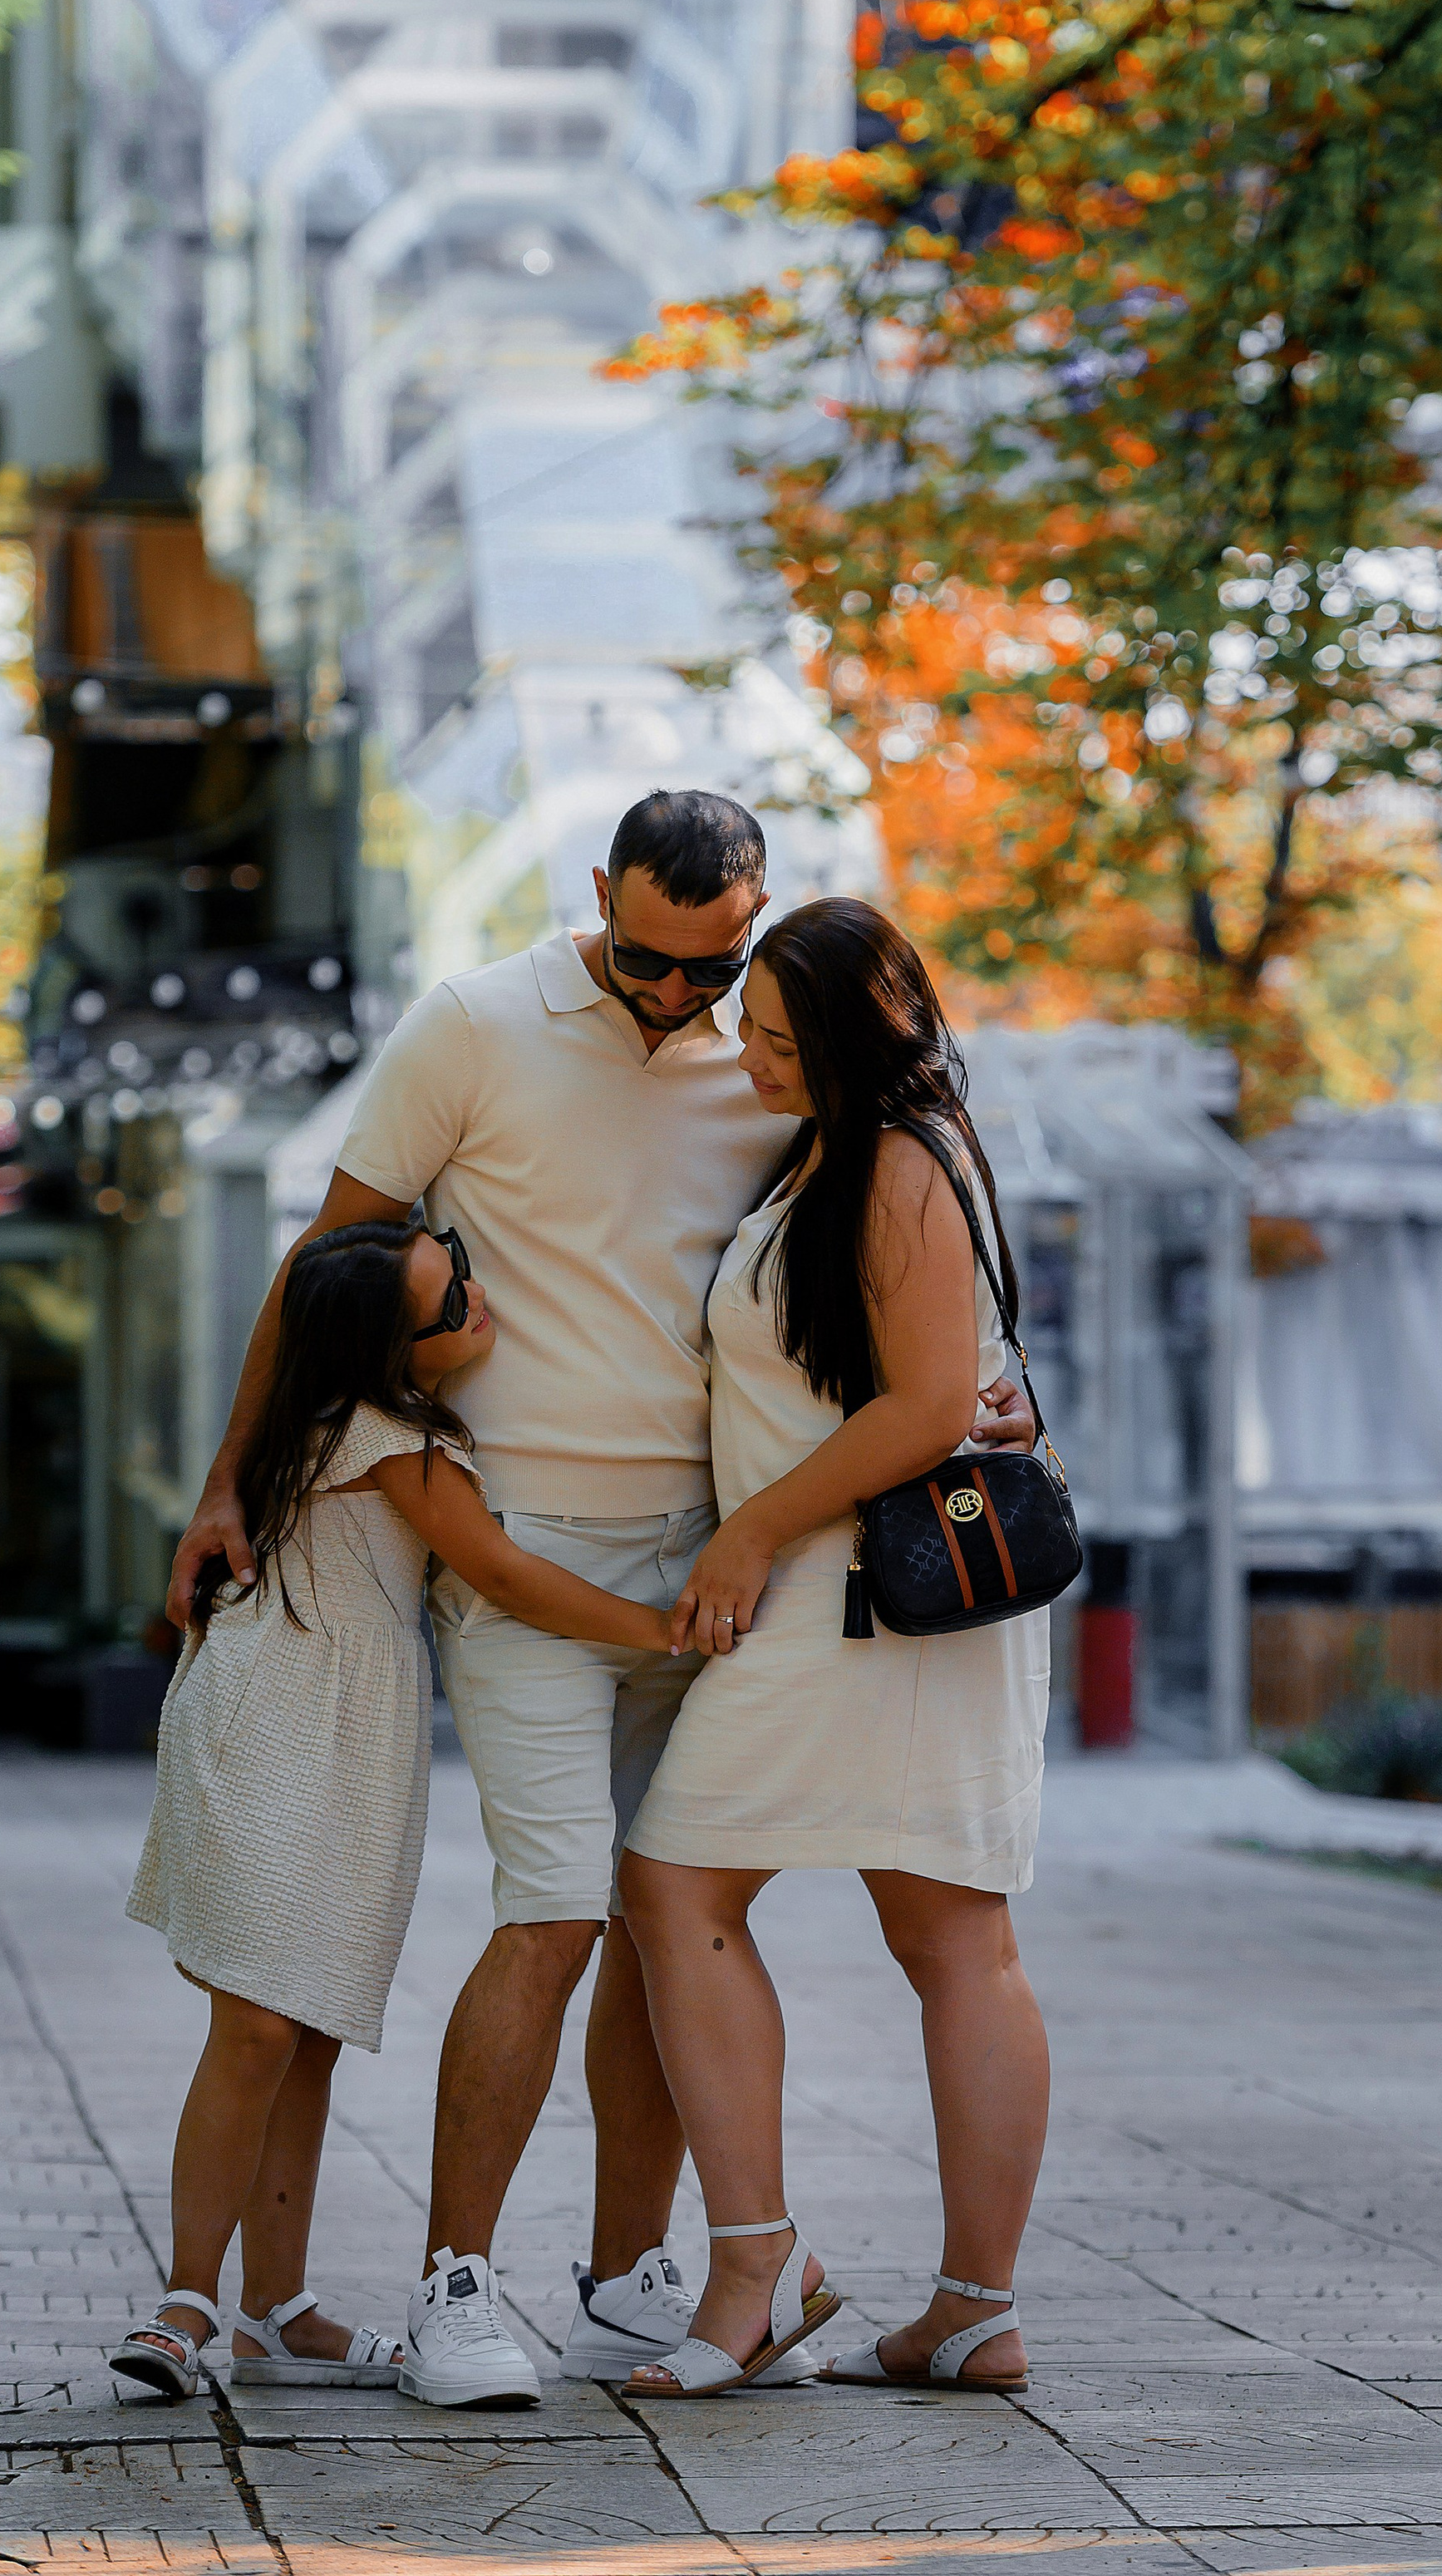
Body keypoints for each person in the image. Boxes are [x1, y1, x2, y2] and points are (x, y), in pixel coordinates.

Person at [162, 790, 1030, 2406]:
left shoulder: (775, 1058)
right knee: (557, 1903)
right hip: (524, 1551)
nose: (673, 1003)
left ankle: (642, 2272)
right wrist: (231, 1482)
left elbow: (884, 1259)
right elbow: (326, 1262)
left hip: (721, 1561)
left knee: (667, 1912)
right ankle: (456, 2281)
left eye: (710, 975)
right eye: (643, 959)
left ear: (753, 933)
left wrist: (964, 1398)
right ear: (597, 900)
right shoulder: (475, 1023)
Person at [113, 1219, 678, 2401]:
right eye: (448, 1299)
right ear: (384, 1354)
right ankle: (185, 2300)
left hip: (354, 1738)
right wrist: (665, 1629)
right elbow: (506, 1573)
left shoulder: (363, 1425)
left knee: (308, 2021)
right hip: (277, 1721)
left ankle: (279, 2308)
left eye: (460, 1268)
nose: (477, 1299)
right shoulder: (384, 1441)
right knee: (261, 2023)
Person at [616, 898, 1052, 2400]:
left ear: (859, 1042)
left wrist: (750, 1532)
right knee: (944, 1941)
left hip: (854, 1595)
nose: (747, 1055)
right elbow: (951, 1380)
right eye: (750, 1027)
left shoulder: (899, 1163)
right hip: (867, 1597)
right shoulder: (855, 1149)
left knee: (691, 1883)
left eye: (780, 1040)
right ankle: (949, 2305)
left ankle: (776, 2268)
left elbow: (929, 1406)